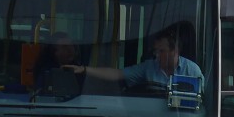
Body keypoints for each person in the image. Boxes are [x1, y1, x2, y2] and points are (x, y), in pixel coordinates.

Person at [69, 26, 204, 92]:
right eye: (155, 51)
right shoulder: (148, 67)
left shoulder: (193, 71)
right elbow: (117, 74)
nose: (156, 55)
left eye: (161, 51)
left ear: (175, 51)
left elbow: (203, 103)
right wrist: (85, 69)